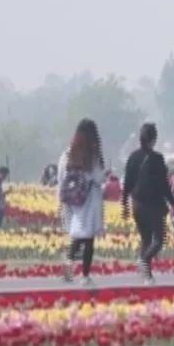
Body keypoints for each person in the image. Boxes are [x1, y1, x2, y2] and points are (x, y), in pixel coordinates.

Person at [121, 123, 174, 284]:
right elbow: (164, 185)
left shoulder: (132, 157)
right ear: (154, 139)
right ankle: (144, 260)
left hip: (137, 205)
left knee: (146, 239)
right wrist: (173, 203)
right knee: (159, 239)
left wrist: (124, 203)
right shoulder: (157, 159)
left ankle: (147, 277)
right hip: (153, 205)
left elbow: (127, 183)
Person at [58, 119, 106, 286]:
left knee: (77, 237)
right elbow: (99, 178)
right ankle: (85, 276)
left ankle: (67, 271)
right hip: (89, 200)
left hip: (73, 199)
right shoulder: (92, 155)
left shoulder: (67, 153)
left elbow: (61, 177)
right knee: (88, 240)